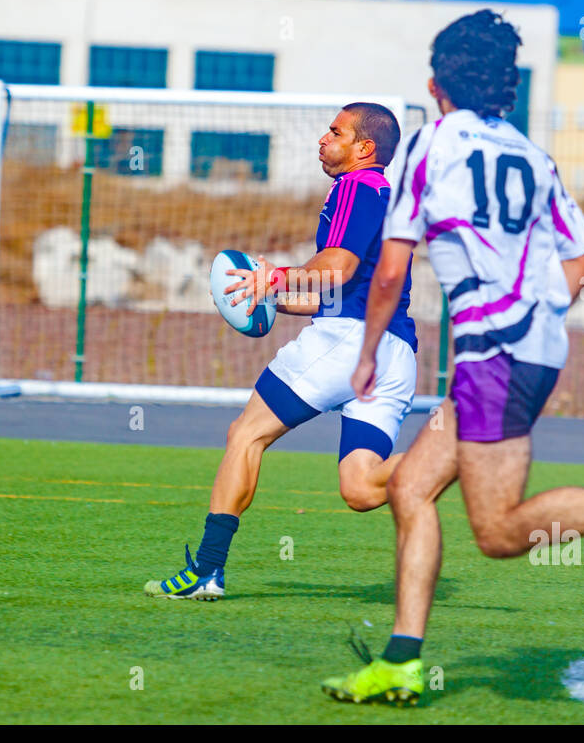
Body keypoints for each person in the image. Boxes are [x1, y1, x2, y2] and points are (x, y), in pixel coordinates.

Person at [321, 11, 584, 702]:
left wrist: (364, 353)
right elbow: (581, 262)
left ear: (437, 82)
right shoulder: (533, 157)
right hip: (522, 351)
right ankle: (401, 660)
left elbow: (389, 274)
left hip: (493, 360)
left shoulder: (428, 147)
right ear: (505, 84)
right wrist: (531, 319)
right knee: (410, 489)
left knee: (499, 532)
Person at [144, 102, 420, 600]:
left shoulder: (356, 187)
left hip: (349, 343)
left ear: (364, 148)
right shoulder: (390, 197)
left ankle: (207, 570)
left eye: (335, 132)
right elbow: (338, 289)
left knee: (245, 434)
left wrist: (274, 276)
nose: (322, 139)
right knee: (361, 487)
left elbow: (333, 268)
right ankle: (458, 456)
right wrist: (269, 294)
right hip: (394, 353)